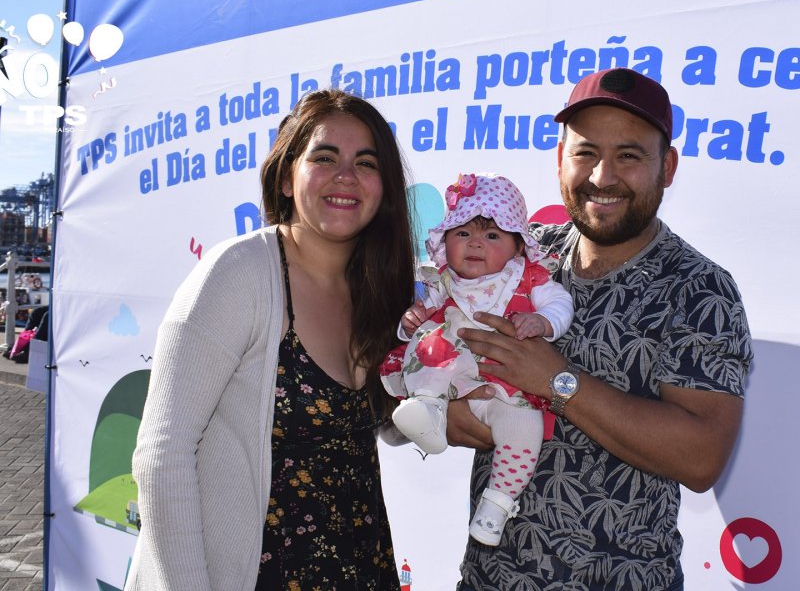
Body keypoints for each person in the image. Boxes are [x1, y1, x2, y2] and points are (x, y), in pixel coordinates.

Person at [450, 68, 753, 590]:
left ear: (668, 166)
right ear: (560, 159)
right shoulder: (519, 253)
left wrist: (557, 381)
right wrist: (453, 409)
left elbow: (702, 457)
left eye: (629, 155)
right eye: (585, 153)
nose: (602, 176)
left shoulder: (700, 289)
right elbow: (436, 349)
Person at [125, 89, 416, 591]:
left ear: (384, 189)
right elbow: (162, 453)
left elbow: (389, 428)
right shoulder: (238, 273)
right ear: (286, 176)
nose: (345, 175)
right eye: (324, 157)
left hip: (363, 569)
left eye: (365, 163)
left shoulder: (379, 293)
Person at [380, 173, 573, 546]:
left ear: (518, 247)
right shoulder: (444, 282)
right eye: (463, 233)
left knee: (524, 430)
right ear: (445, 242)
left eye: (492, 235)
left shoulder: (529, 278)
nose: (476, 244)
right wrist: (409, 324)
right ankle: (428, 412)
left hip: (505, 390)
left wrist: (544, 321)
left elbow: (560, 304)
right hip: (450, 378)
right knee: (429, 351)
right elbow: (411, 328)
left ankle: (497, 504)